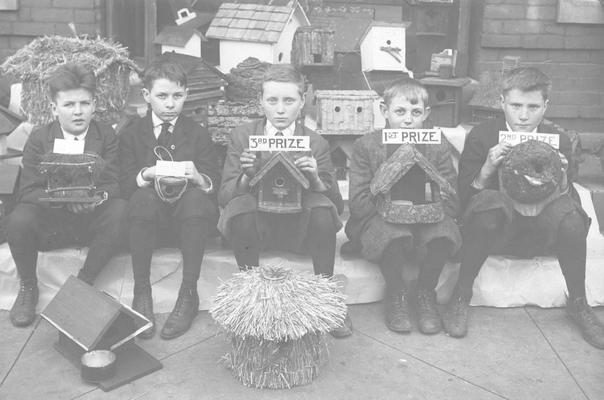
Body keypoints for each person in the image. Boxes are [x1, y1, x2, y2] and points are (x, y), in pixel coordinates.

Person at [444, 66, 604, 348]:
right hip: (495, 232)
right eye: (516, 105)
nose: (523, 115)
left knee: (572, 217)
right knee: (488, 203)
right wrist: (487, 168)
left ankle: (578, 302)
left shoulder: (559, 139)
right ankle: (460, 294)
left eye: (533, 107)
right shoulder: (482, 136)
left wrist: (563, 174)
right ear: (502, 103)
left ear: (545, 106)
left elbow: (569, 201)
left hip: (541, 235)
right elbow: (464, 199)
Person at [217, 64, 351, 337]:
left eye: (289, 101)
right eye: (272, 101)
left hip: (298, 227)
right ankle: (249, 297)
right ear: (260, 101)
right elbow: (224, 196)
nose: (280, 110)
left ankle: (327, 297)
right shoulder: (243, 136)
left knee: (323, 211)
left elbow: (337, 205)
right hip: (258, 227)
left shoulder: (314, 142)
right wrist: (245, 176)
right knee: (239, 211)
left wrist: (315, 177)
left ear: (302, 102)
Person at [7, 63, 127, 327]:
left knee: (120, 210)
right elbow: (28, 190)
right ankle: (28, 287)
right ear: (54, 108)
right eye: (69, 104)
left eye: (84, 103)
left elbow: (114, 183)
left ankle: (84, 283)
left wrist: (93, 198)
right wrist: (64, 198)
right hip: (53, 223)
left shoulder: (106, 136)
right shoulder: (39, 139)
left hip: (91, 220)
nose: (77, 112)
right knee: (18, 219)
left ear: (95, 105)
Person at [345, 78, 460, 334]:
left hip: (426, 219)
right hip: (378, 217)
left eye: (416, 112)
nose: (408, 120)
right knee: (392, 233)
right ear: (384, 111)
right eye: (400, 112)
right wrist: (384, 182)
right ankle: (396, 293)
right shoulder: (367, 146)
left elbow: (452, 202)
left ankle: (425, 293)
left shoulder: (436, 144)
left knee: (444, 232)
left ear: (426, 114)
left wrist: (435, 199)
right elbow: (358, 205)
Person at [119, 59, 220, 340]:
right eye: (162, 96)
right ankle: (142, 293)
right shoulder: (131, 134)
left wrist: (200, 178)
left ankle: (188, 293)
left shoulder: (198, 133)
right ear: (146, 96)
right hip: (149, 223)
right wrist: (145, 174)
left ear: (186, 95)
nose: (170, 104)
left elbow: (215, 180)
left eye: (177, 96)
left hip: (189, 224)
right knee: (141, 198)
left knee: (198, 200)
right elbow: (123, 184)